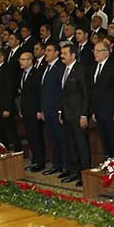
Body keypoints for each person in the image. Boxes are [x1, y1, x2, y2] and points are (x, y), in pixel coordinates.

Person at [58, 43, 90, 186]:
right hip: (67, 114)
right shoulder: (63, 70)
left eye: (64, 53)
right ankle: (75, 172)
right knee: (72, 145)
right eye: (61, 53)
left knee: (81, 145)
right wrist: (61, 112)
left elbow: (86, 94)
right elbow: (62, 95)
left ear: (73, 55)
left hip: (78, 115)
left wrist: (84, 115)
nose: (61, 56)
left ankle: (85, 175)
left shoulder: (81, 69)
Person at [91, 41, 114, 161]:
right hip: (100, 111)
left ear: (106, 52)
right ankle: (110, 164)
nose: (94, 53)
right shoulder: (95, 66)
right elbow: (95, 91)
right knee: (105, 141)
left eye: (97, 51)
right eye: (94, 50)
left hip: (111, 112)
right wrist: (94, 110)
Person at [39, 43, 69, 175]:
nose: (46, 53)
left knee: (62, 139)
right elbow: (44, 91)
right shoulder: (46, 67)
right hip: (47, 110)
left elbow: (62, 91)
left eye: (49, 50)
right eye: (45, 50)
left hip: (57, 111)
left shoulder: (60, 68)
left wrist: (60, 111)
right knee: (52, 139)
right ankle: (56, 164)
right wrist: (42, 109)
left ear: (57, 53)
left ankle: (66, 166)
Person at [0, 48, 21, 151]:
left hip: (5, 109)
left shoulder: (7, 70)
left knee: (10, 133)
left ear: (2, 58)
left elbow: (9, 91)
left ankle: (17, 153)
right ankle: (3, 153)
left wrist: (8, 108)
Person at [18, 52, 46, 172]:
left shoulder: (36, 73)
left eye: (23, 59)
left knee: (36, 137)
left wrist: (40, 109)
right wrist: (21, 109)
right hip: (26, 111)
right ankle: (34, 160)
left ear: (30, 61)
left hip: (35, 111)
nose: (21, 61)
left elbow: (39, 93)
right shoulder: (23, 74)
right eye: (20, 59)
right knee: (30, 137)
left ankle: (40, 162)